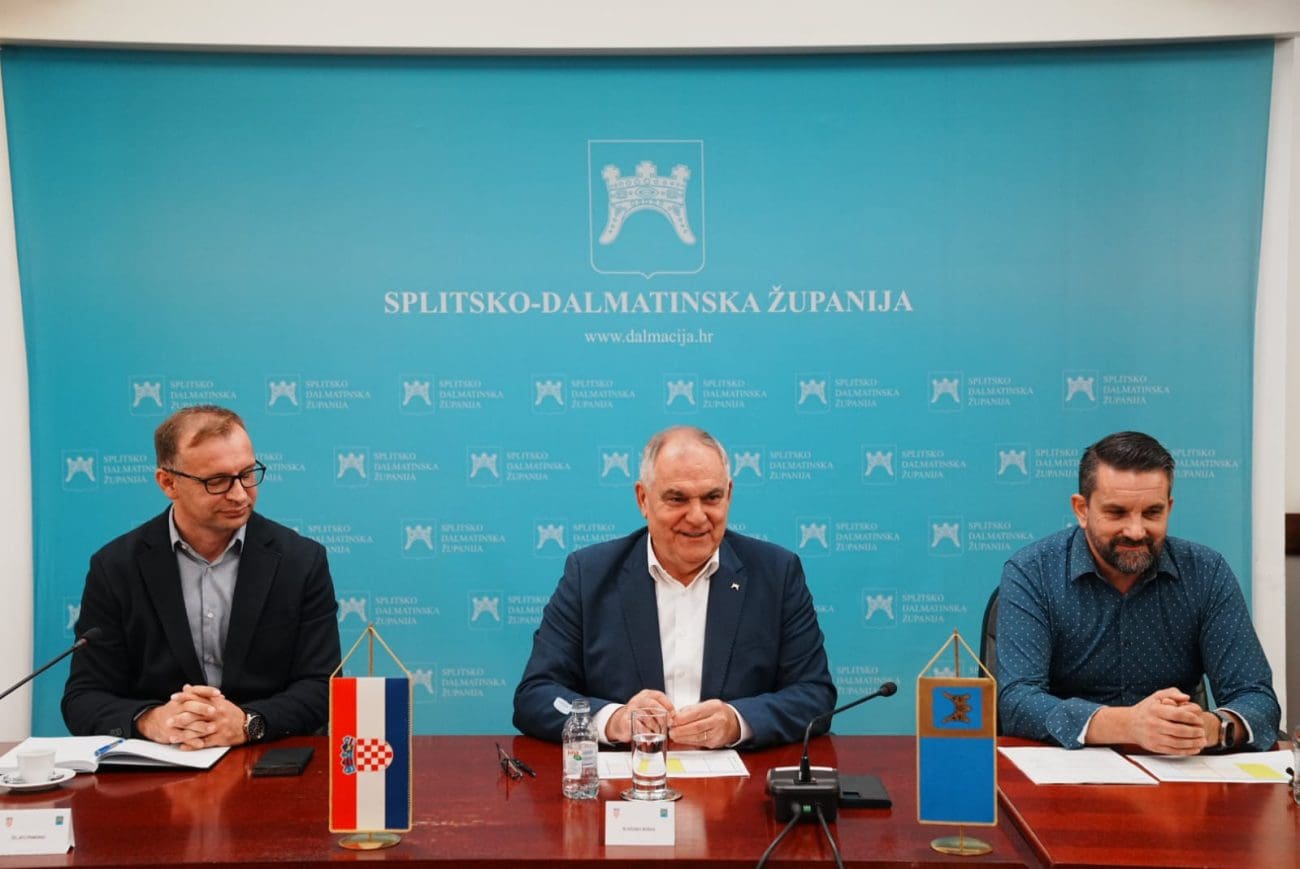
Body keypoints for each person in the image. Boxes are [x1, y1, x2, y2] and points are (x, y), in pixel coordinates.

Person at [513, 426, 836, 749]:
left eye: (712, 497)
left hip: (740, 776)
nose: (697, 517)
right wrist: (614, 719)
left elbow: (814, 695)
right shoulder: (589, 575)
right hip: (630, 774)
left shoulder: (777, 573)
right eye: (677, 498)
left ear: (729, 495)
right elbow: (536, 696)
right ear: (643, 499)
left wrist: (737, 721)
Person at [62, 405, 341, 748]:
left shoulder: (301, 561)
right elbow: (84, 697)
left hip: (268, 756)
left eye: (247, 474)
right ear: (168, 483)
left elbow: (323, 687)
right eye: (217, 481)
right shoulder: (116, 567)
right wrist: (151, 720)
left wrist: (248, 723)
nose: (240, 494)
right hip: (161, 761)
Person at [997, 431, 1279, 754]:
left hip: (1177, 769)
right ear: (1082, 509)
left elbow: (1258, 700)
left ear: (1169, 508)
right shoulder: (1032, 572)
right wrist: (1128, 724)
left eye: (1152, 513)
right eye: (1117, 513)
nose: (1136, 531)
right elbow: (1017, 702)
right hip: (1063, 770)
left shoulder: (1206, 572)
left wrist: (1211, 727)